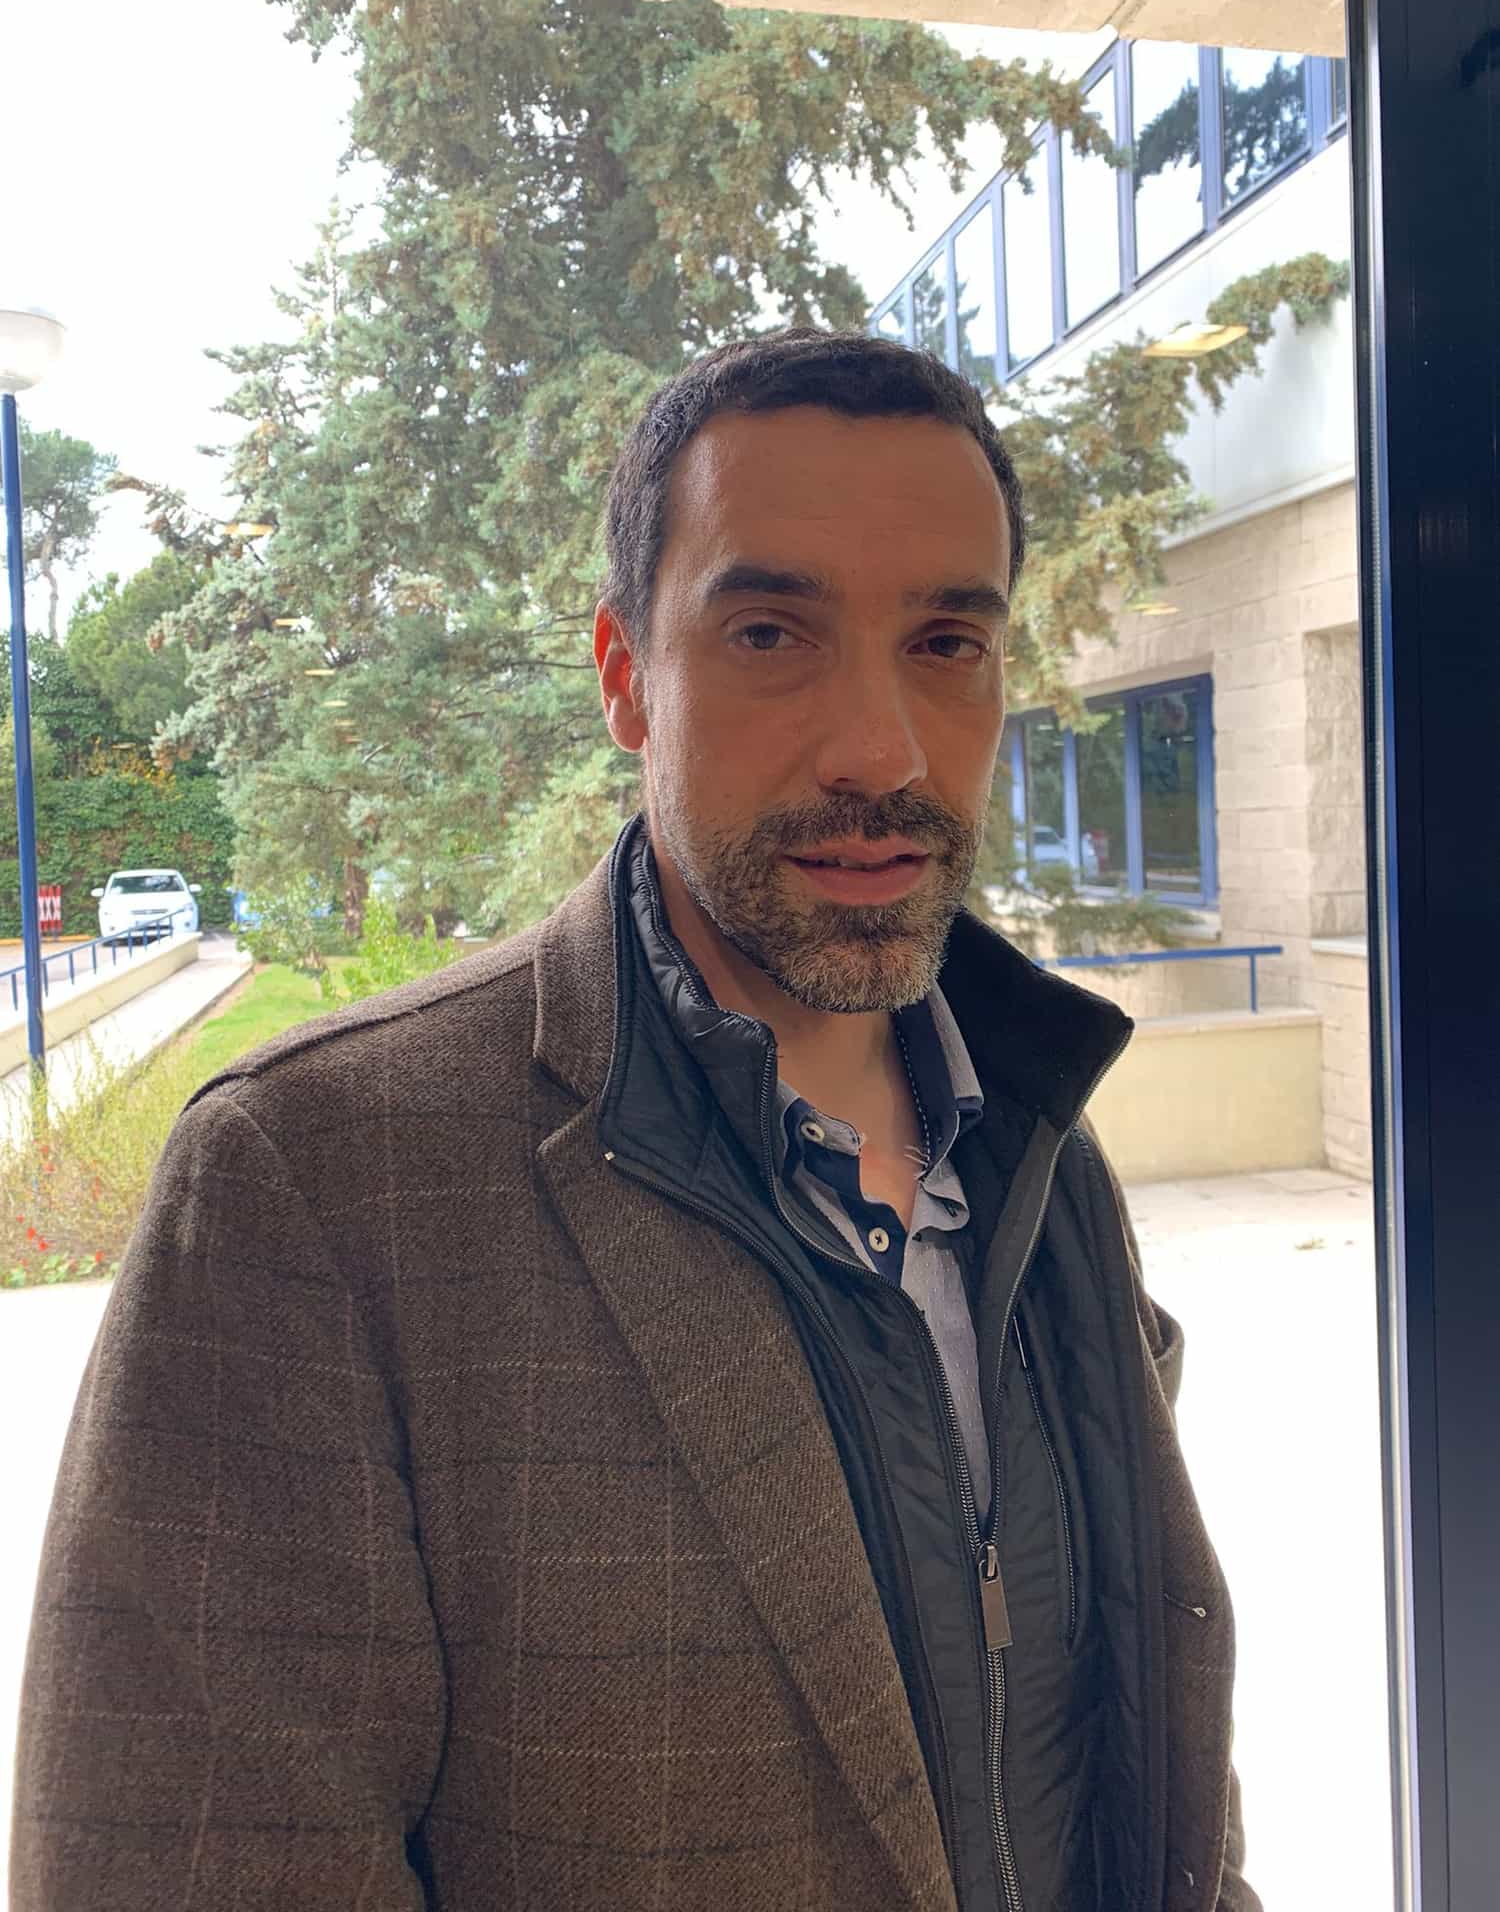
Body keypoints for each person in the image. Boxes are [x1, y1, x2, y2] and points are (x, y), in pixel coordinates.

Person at [9, 331, 1259, 1912]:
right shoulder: (318, 1187)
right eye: (770, 633)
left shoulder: (1034, 1138)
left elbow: (1147, 1769)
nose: (880, 749)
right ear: (624, 677)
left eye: (947, 642)